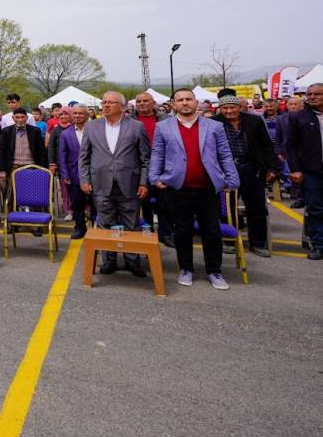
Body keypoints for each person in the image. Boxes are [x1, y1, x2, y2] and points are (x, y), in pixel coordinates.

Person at [149, 88, 240, 289]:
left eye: (188, 99)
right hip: (178, 187)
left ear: (195, 102)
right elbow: (157, 153)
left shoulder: (214, 126)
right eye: (180, 100)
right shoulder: (163, 127)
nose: (184, 103)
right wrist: (154, 177)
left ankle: (214, 271)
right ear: (173, 104)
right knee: (182, 231)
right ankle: (186, 269)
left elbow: (224, 154)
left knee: (212, 231)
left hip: (208, 188)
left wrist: (232, 178)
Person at [80, 91, 152, 277]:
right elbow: (84, 157)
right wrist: (85, 179)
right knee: (105, 223)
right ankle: (109, 260)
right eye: (103, 102)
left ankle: (132, 261)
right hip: (101, 183)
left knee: (131, 224)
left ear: (122, 106)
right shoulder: (91, 127)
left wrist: (144, 182)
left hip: (130, 183)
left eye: (110, 103)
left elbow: (145, 158)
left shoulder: (136, 127)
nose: (105, 106)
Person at [213, 93, 280, 257]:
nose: (229, 111)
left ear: (239, 107)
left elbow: (267, 146)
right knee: (226, 208)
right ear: (220, 109)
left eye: (232, 107)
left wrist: (272, 168)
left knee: (257, 207)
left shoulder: (254, 121)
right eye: (225, 108)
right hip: (226, 171)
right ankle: (228, 241)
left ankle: (257, 243)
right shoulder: (214, 124)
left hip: (251, 168)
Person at [285, 83, 323, 260]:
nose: (313, 97)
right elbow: (290, 146)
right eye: (310, 94)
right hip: (312, 171)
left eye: (317, 94)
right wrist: (296, 170)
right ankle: (318, 245)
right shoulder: (298, 117)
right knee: (315, 208)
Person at [132, 92, 175, 247]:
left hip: (162, 168)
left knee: (164, 202)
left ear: (153, 102)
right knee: (143, 203)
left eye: (145, 101)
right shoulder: (129, 121)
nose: (142, 104)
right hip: (139, 167)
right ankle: (147, 231)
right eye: (139, 101)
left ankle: (165, 233)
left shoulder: (167, 120)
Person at [59, 106, 94, 238]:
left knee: (95, 203)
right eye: (75, 113)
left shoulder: (94, 131)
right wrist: (64, 174)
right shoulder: (65, 134)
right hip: (73, 174)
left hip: (93, 173)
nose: (77, 116)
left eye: (80, 113)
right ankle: (80, 227)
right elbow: (62, 155)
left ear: (87, 115)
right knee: (77, 203)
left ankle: (96, 227)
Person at [0, 107, 48, 188]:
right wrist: (2, 170)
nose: (20, 120)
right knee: (12, 197)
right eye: (17, 117)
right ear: (13, 118)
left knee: (32, 195)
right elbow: (1, 151)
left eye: (22, 117)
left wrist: (43, 170)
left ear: (27, 118)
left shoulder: (35, 131)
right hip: (13, 168)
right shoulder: (6, 131)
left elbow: (42, 152)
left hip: (32, 168)